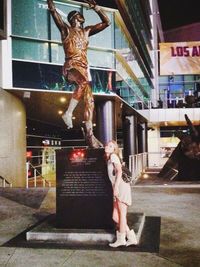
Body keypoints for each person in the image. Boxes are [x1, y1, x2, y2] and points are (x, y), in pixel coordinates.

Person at [47, 0, 111, 148]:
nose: (82, 17)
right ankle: (68, 113)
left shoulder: (86, 31)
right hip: (71, 67)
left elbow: (107, 22)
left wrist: (96, 8)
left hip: (83, 68)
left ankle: (89, 132)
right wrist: (50, 3)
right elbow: (53, 12)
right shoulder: (65, 30)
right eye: (79, 15)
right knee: (83, 83)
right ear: (74, 18)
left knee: (90, 100)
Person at [105, 140, 138, 247]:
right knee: (115, 216)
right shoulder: (109, 158)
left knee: (122, 214)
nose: (107, 147)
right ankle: (131, 237)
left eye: (110, 146)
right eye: (107, 145)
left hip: (121, 187)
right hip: (117, 187)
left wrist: (116, 187)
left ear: (114, 149)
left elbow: (119, 171)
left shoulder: (113, 156)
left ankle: (121, 240)